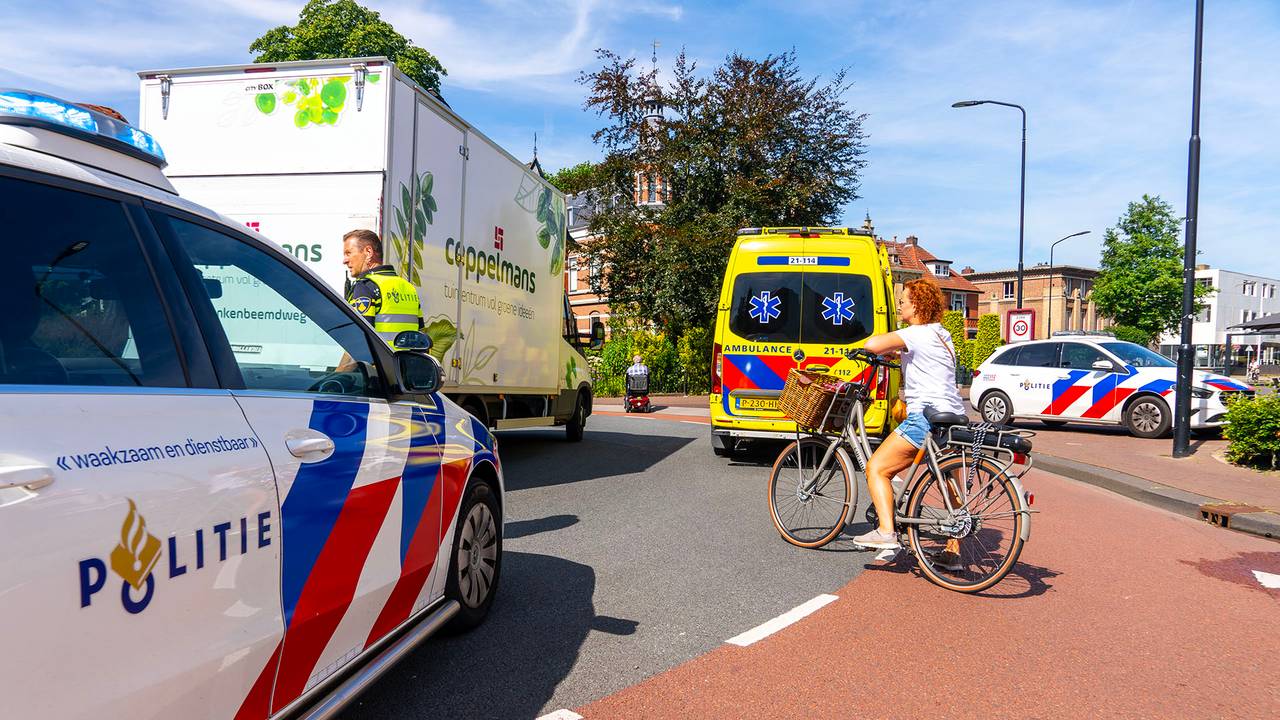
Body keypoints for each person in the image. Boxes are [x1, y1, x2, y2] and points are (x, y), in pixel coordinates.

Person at [851, 278, 966, 567]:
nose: (900, 304)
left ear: (916, 305)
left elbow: (871, 344)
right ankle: (953, 553)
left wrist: (886, 347)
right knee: (948, 482)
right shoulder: (941, 334)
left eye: (903, 300)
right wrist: (900, 352)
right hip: (953, 417)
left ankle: (886, 532)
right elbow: (924, 358)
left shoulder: (915, 333)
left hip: (925, 418)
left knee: (877, 468)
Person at [341, 229, 423, 345]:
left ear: (368, 252)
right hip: (405, 357)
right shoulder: (409, 287)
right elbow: (420, 334)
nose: (344, 260)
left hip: (380, 357)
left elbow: (359, 338)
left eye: (348, 253)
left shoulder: (365, 286)